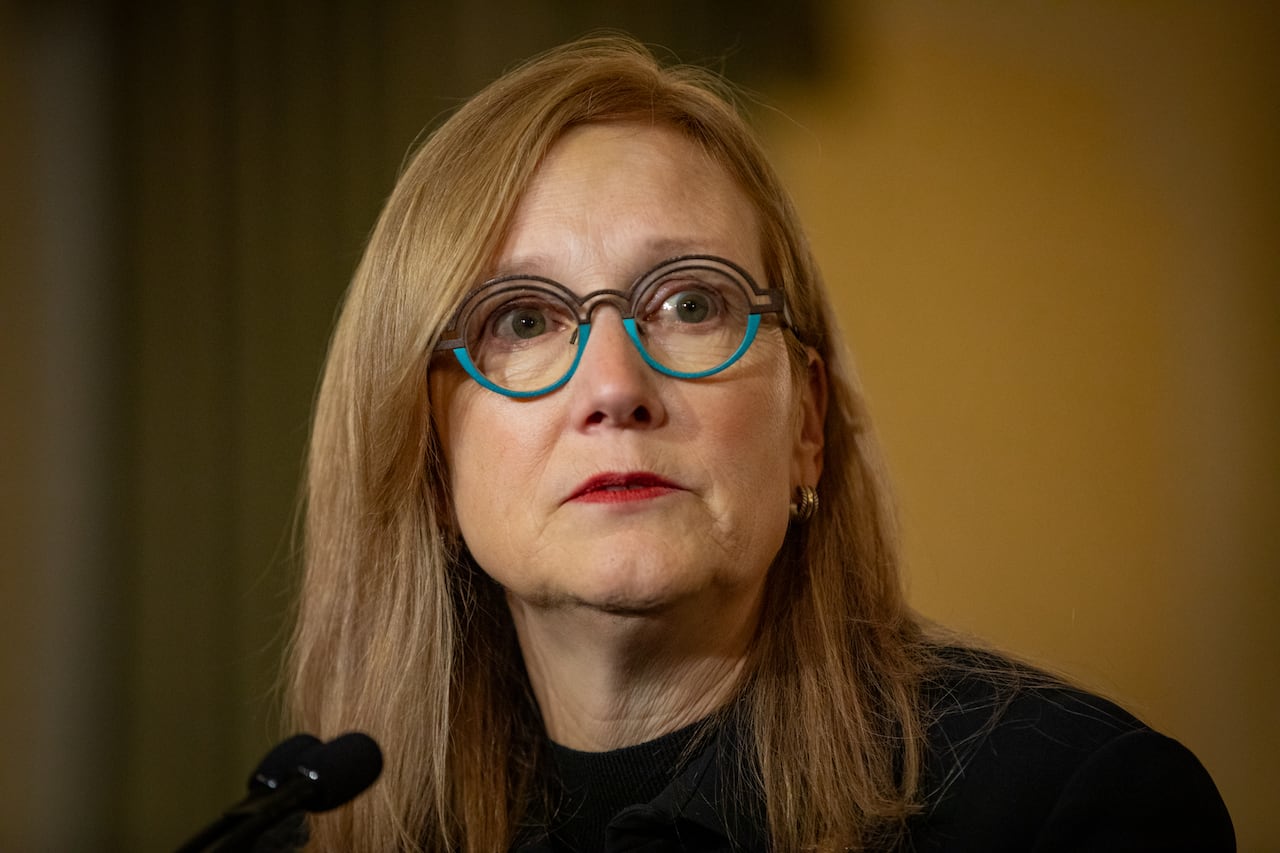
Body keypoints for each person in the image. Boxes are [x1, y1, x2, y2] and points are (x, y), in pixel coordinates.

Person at [284, 35, 1234, 853]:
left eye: (691, 303)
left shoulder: (1072, 807)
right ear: (428, 446)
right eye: (523, 320)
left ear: (807, 428)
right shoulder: (328, 825)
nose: (615, 388)